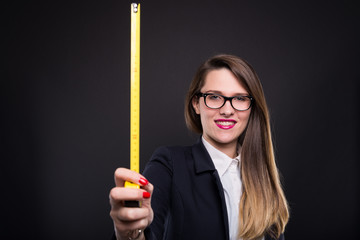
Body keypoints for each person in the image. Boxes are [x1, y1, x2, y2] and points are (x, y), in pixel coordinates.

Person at [109, 54, 289, 240]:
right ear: (196, 103)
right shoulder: (169, 164)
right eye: (214, 97)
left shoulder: (263, 179)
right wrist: (130, 233)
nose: (227, 110)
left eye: (240, 99)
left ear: (252, 107)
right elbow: (145, 229)